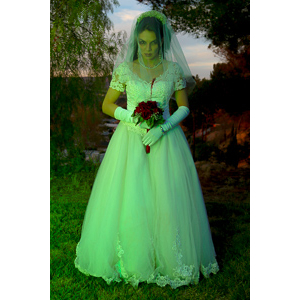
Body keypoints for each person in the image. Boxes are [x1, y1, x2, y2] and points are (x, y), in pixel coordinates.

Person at [74, 10, 219, 289]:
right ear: (136, 41)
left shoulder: (173, 70)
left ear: (162, 41)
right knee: (132, 195)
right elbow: (106, 104)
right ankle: (133, 256)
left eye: (153, 42)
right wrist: (133, 118)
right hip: (129, 141)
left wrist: (162, 128)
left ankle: (168, 256)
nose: (148, 48)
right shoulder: (125, 70)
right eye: (143, 42)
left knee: (166, 195)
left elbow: (184, 107)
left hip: (165, 141)